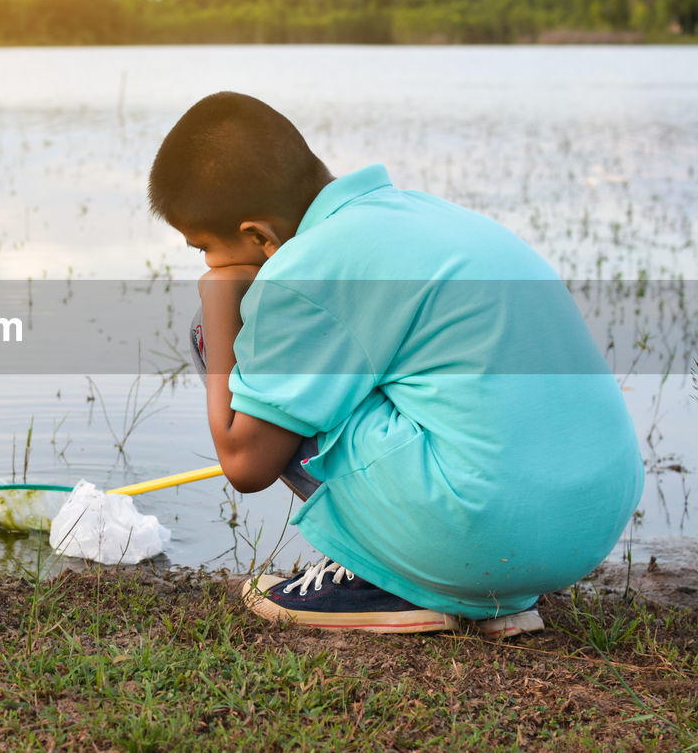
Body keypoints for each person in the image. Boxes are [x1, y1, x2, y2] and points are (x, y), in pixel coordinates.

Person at [149, 91, 643, 636]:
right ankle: (477, 589)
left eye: (201, 247)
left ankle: (384, 579)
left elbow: (246, 465)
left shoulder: (303, 269)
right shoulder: (424, 214)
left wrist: (220, 295)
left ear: (258, 236)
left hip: (484, 530)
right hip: (587, 527)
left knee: (212, 330)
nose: (203, 260)